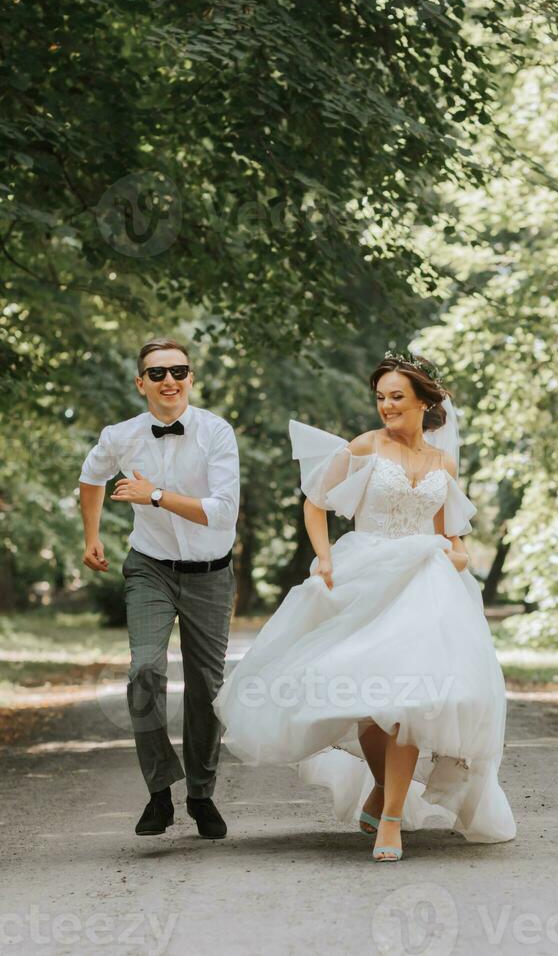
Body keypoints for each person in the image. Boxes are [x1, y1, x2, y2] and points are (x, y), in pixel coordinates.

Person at [214, 351, 516, 862]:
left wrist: (458, 555)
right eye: (380, 397)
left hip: (425, 584)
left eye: (397, 396)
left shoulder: (444, 462)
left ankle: (392, 818)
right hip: (366, 573)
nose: (386, 406)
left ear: (424, 402)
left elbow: (452, 533)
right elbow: (315, 501)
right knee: (369, 701)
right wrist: (325, 556)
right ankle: (383, 787)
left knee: (409, 698)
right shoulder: (365, 447)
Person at [78, 337, 239, 838]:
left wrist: (156, 496)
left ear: (191, 378)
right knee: (145, 669)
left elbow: (221, 510)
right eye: (157, 372)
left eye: (178, 370)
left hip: (210, 573)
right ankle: (159, 792)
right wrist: (92, 536)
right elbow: (91, 477)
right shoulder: (122, 435)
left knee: (206, 690)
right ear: (140, 382)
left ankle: (201, 795)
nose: (169, 379)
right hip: (149, 567)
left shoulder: (216, 432)